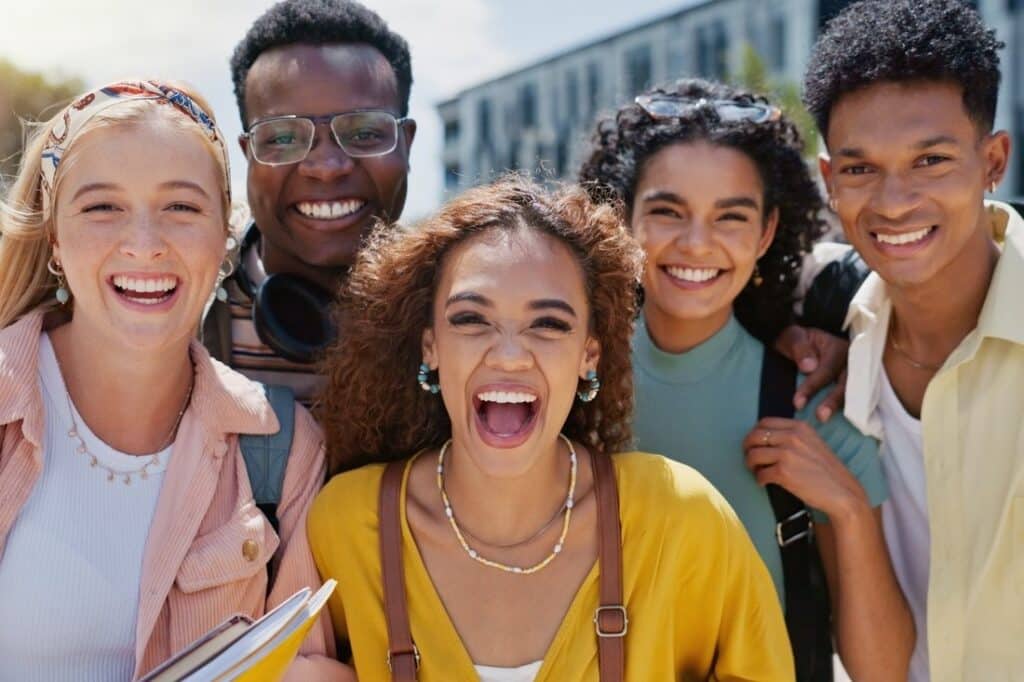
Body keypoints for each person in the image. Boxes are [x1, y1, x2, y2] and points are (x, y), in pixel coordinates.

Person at [307, 177, 793, 680]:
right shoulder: (346, 525)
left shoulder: (682, 518)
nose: (511, 356)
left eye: (549, 324)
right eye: (472, 319)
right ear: (430, 345)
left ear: (589, 355)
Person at [0, 80, 348, 680]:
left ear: (224, 240)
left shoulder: (283, 449)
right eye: (101, 206)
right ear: (55, 239)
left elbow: (314, 665)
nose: (145, 245)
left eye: (181, 208)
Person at [579, 78, 914, 680]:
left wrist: (848, 508)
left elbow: (882, 669)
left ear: (764, 234)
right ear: (622, 219)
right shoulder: (565, 390)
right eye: (667, 211)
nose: (697, 244)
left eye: (729, 217)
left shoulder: (809, 407)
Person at [804, 0, 1024, 678]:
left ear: (992, 161)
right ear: (829, 181)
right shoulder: (835, 323)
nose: (894, 202)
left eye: (930, 159)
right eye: (861, 168)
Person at [203, 0, 416, 403]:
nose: (326, 167)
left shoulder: (463, 309)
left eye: (365, 132)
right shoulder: (178, 305)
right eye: (283, 137)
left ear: (406, 144)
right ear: (249, 154)